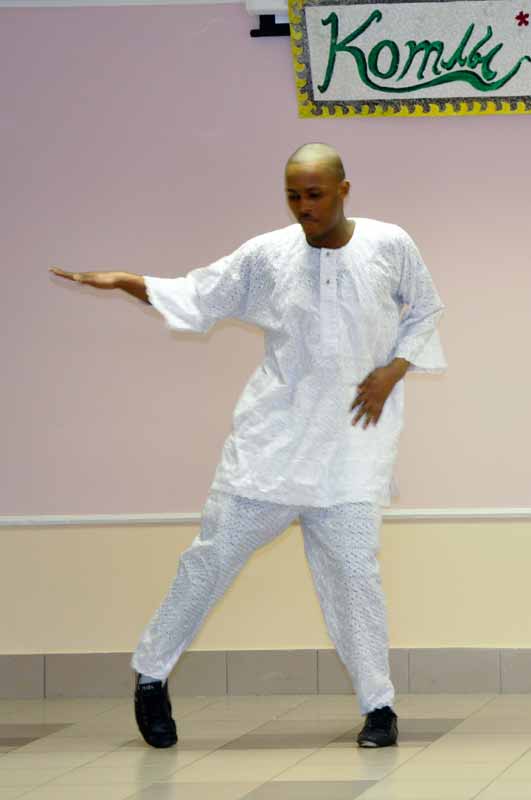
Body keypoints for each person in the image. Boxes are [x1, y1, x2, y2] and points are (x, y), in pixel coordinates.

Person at [50, 142, 446, 750]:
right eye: (293, 195)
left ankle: (379, 707)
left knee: (355, 581)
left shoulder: (390, 244)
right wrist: (128, 281)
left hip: (352, 449)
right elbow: (198, 296)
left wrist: (393, 371)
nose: (303, 207)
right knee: (210, 561)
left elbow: (426, 311)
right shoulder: (267, 255)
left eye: (314, 195)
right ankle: (151, 674)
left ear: (343, 190)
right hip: (271, 448)